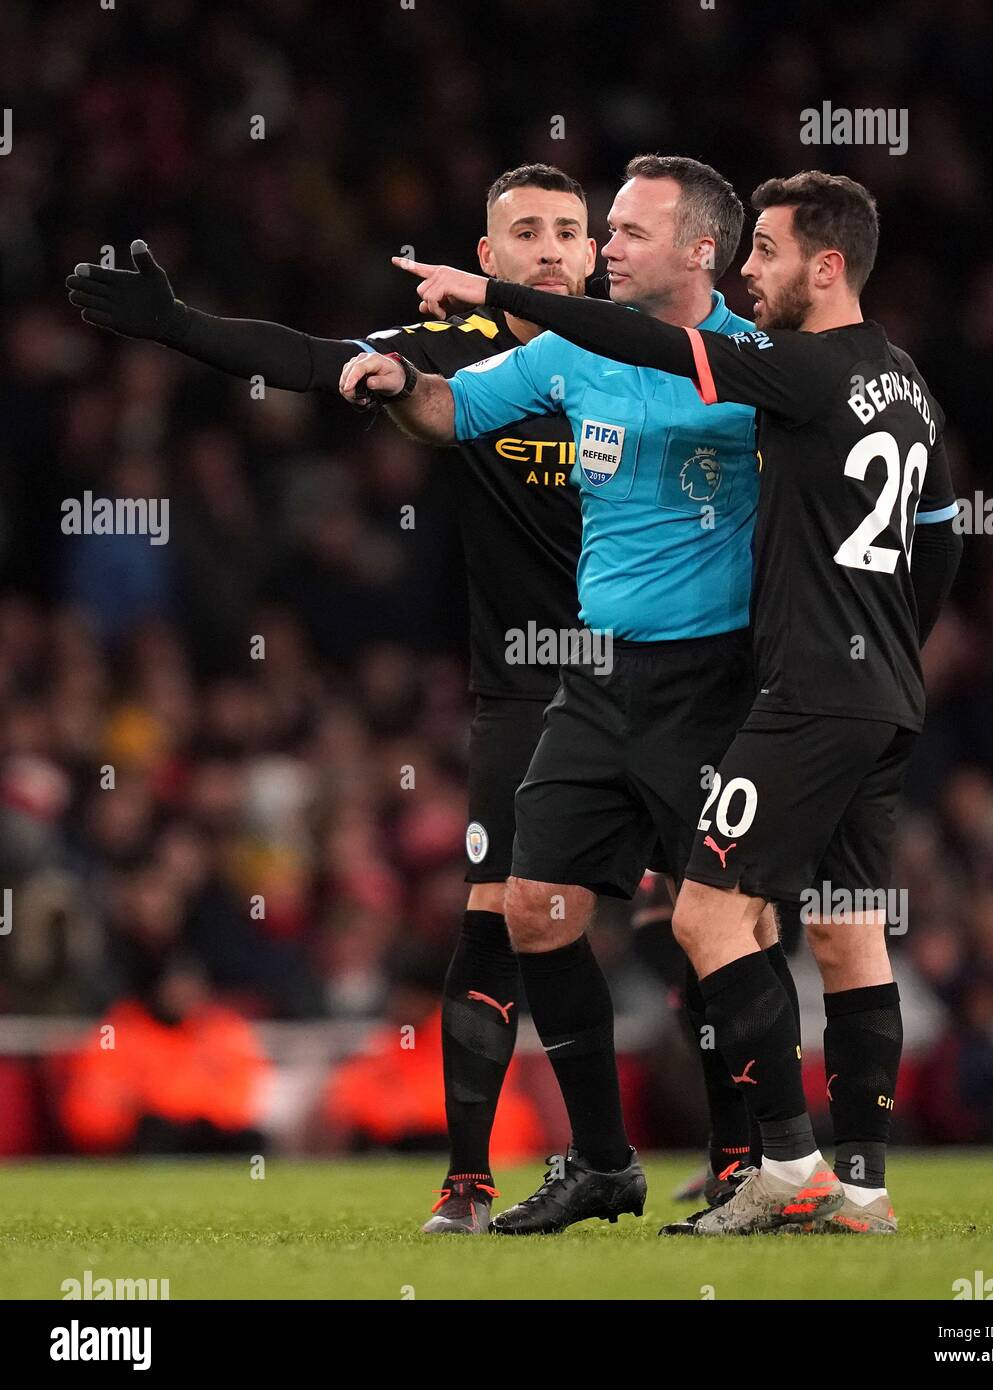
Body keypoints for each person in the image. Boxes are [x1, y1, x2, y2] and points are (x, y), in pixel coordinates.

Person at [64, 163, 754, 1234]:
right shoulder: (464, 358)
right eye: (524, 232)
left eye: (572, 231)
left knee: (701, 918)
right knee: (501, 918)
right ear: (485, 262)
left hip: (677, 670)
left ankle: (744, 1156)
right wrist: (180, 326)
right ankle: (480, 1178)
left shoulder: (648, 348)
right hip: (529, 684)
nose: (553, 249)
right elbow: (309, 359)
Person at [383, 169, 963, 1235]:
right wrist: (895, 650)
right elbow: (945, 537)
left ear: (825, 267)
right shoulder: (907, 379)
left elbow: (650, 345)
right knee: (846, 931)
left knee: (706, 912)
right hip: (883, 687)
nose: (754, 270)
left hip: (798, 692)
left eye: (770, 254)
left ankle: (786, 1165)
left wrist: (488, 297)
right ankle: (865, 1186)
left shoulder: (792, 365)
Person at [341, 155, 799, 1235]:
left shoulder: (759, 365)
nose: (607, 249)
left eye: (630, 232)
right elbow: (454, 411)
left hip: (714, 683)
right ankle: (603, 1160)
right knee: (536, 909)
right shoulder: (573, 348)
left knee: (720, 922)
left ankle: (776, 1162)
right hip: (596, 679)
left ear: (699, 252)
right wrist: (402, 384)